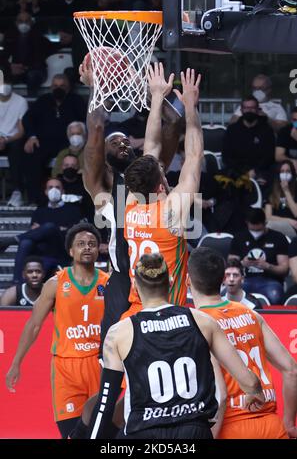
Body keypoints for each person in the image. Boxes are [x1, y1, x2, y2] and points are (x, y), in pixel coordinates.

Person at [70, 252, 264, 439]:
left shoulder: (119, 332)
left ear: (135, 287)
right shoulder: (202, 321)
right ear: (171, 283)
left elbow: (105, 404)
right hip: (194, 430)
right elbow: (250, 382)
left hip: (145, 431)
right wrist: (254, 393)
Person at [79, 59, 182, 349]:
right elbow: (97, 128)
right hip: (123, 282)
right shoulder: (99, 185)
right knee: (114, 363)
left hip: (159, 278)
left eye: (126, 140)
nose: (123, 143)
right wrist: (97, 87)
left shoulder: (147, 179)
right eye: (115, 142)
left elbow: (174, 122)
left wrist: (150, 91)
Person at [6, 223, 109, 439]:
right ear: (71, 251)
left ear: (99, 248)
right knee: (71, 434)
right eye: (80, 244)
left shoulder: (107, 283)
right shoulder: (55, 284)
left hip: (100, 364)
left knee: (102, 434)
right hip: (66, 367)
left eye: (91, 244)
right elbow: (34, 325)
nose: (87, 248)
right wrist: (16, 362)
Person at [188, 246, 297, 439]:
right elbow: (291, 370)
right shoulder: (250, 313)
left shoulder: (196, 323)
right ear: (223, 278)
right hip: (271, 425)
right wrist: (288, 423)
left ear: (188, 281)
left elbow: (220, 396)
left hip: (229, 425)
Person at [123, 67, 203, 314]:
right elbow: (194, 155)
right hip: (168, 314)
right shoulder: (171, 211)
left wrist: (156, 97)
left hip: (134, 314)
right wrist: (190, 106)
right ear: (160, 185)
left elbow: (151, 148)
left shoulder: (130, 206)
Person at [0, 178, 83, 282]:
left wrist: (50, 229)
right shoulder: (39, 211)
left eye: (57, 187)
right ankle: (17, 283)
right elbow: (33, 233)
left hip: (61, 247)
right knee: (26, 242)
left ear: (63, 191)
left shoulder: (72, 210)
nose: (54, 190)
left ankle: (11, 240)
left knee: (50, 227)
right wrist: (58, 228)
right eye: (50, 187)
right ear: (45, 192)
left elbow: (72, 232)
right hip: (42, 249)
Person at [22, 74, 86, 204]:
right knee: (32, 157)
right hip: (44, 142)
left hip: (69, 144)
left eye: (62, 86)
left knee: (73, 161)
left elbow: (86, 121)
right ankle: (36, 199)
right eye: (55, 86)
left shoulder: (76, 101)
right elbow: (28, 119)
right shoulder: (43, 100)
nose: (58, 88)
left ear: (68, 88)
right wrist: (32, 136)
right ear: (51, 87)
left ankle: (75, 198)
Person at [229, 207, 289, 305]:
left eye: (259, 229)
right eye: (253, 229)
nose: (256, 232)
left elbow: (284, 269)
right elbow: (230, 264)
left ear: (265, 223)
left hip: (270, 281)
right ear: (247, 223)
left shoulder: (278, 238)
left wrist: (267, 266)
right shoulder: (239, 238)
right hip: (245, 280)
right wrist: (242, 263)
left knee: (275, 295)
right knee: (229, 292)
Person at [223, 96, 275, 187]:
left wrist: (255, 171)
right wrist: (243, 172)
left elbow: (269, 156)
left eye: (252, 108)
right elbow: (226, 156)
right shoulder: (232, 130)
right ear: (242, 110)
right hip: (236, 172)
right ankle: (196, 201)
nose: (249, 111)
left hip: (261, 171)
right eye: (246, 108)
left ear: (258, 110)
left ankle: (267, 202)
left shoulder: (267, 130)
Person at [0, 71, 28, 207]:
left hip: (12, 139)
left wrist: (5, 140)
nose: (4, 86)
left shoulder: (20, 102)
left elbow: (21, 130)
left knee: (17, 149)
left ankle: (17, 191)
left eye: (7, 83)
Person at [265, 160, 297, 238]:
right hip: (278, 225)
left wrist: (286, 191)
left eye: (288, 171)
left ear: (292, 174)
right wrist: (288, 221)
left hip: (294, 228)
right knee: (269, 225)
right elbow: (268, 217)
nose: (285, 174)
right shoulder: (271, 191)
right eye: (282, 171)